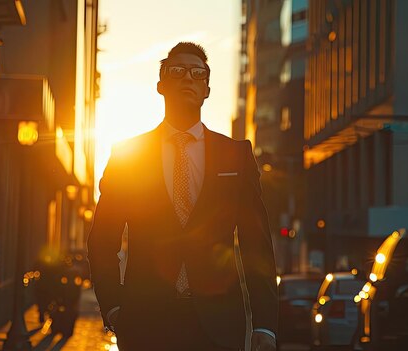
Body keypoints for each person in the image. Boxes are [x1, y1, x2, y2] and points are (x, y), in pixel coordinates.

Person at [87, 42, 278, 351]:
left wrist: (266, 325)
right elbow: (102, 239)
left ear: (207, 89)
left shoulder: (236, 155)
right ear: (161, 86)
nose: (188, 78)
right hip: (144, 324)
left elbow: (257, 243)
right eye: (177, 71)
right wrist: (113, 306)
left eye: (197, 73)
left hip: (219, 326)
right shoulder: (128, 156)